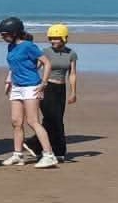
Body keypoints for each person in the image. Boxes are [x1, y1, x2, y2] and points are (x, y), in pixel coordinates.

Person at [0, 17, 57, 167]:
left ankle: (49, 155)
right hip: (17, 87)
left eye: (5, 34)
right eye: (2, 35)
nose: (3, 37)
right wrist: (8, 81)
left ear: (15, 32)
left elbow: (46, 62)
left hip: (31, 86)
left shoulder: (29, 46)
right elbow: (13, 66)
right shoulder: (10, 47)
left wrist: (44, 82)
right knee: (16, 122)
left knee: (33, 121)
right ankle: (18, 155)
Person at [26, 23, 79, 162]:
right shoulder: (46, 52)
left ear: (64, 38)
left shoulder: (71, 54)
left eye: (56, 38)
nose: (53, 41)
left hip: (61, 90)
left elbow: (72, 74)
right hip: (47, 88)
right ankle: (50, 148)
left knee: (57, 121)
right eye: (51, 38)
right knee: (52, 119)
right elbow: (35, 68)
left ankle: (51, 150)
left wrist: (73, 92)